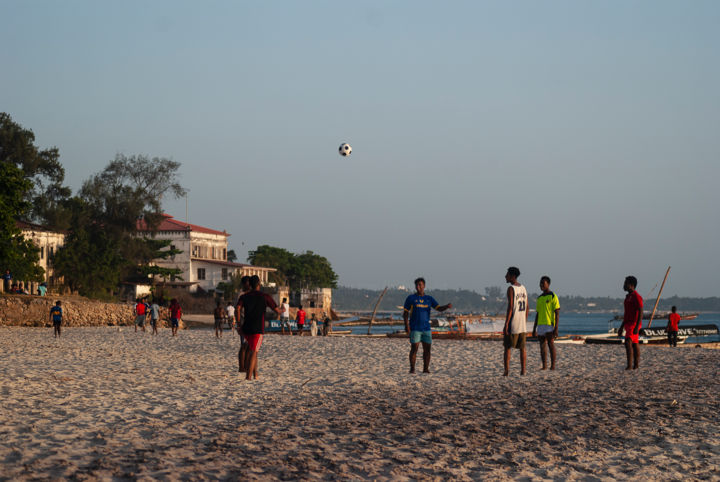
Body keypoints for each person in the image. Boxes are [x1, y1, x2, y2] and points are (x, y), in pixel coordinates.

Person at [236, 275, 282, 380]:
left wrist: (238, 324)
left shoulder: (244, 296)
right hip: (258, 328)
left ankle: (254, 374)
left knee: (251, 349)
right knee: (254, 351)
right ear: (259, 284)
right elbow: (277, 311)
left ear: (249, 285)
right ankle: (248, 377)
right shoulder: (265, 296)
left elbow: (238, 308)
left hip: (246, 327)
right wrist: (283, 310)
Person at [403, 277, 452, 374]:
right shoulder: (411, 298)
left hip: (426, 328)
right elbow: (405, 313)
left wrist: (446, 306)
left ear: (424, 286)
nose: (418, 287)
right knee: (414, 348)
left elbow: (438, 308)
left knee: (427, 350)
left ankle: (425, 369)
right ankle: (412, 369)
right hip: (415, 328)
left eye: (420, 285)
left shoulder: (429, 299)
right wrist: (406, 325)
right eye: (417, 285)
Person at [503, 267, 528, 376]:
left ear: (512, 276)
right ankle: (523, 370)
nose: (505, 276)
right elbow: (527, 307)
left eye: (507, 274)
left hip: (513, 322)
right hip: (522, 324)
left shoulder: (511, 289)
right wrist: (524, 320)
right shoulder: (523, 288)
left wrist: (506, 323)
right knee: (522, 348)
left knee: (507, 347)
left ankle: (506, 371)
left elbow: (510, 307)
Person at [532, 276, 560, 370]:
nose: (541, 285)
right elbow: (538, 313)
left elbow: (557, 313)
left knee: (551, 345)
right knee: (542, 346)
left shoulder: (553, 296)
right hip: (540, 325)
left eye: (543, 283)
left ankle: (553, 365)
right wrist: (534, 328)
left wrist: (556, 327)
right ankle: (544, 365)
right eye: (540, 283)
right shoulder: (539, 298)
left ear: (548, 284)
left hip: (549, 325)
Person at [618, 276, 643, 370]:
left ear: (632, 285)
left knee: (628, 342)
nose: (624, 285)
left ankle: (629, 366)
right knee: (635, 343)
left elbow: (641, 311)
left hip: (634, 323)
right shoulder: (627, 297)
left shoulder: (637, 297)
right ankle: (636, 365)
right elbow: (626, 313)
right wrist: (621, 327)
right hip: (628, 324)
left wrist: (637, 326)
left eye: (626, 283)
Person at [236, 276, 252, 371]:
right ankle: (241, 367)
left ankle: (246, 366)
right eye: (247, 283)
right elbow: (237, 309)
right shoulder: (241, 295)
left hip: (250, 321)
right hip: (243, 321)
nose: (249, 285)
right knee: (243, 345)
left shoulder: (251, 294)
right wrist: (238, 324)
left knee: (249, 346)